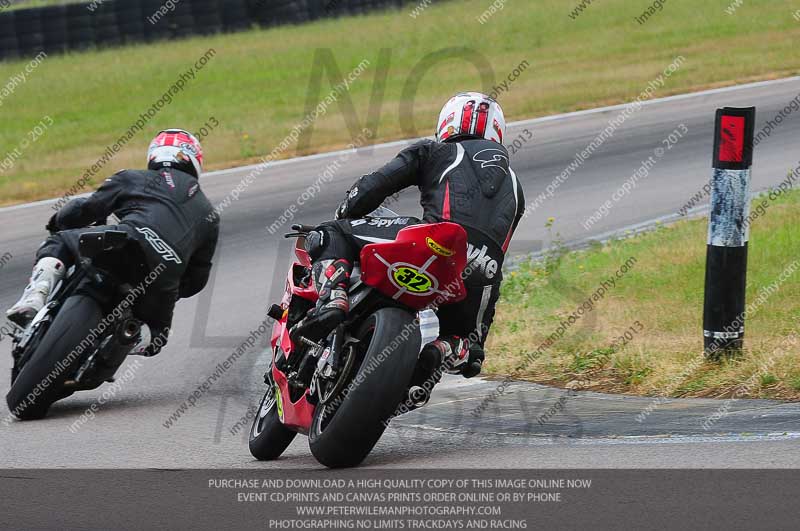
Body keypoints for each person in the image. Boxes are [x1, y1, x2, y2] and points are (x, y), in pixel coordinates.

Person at [291, 92, 525, 381]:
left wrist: (346, 210)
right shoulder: (517, 188)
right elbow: (499, 243)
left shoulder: (434, 151)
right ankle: (450, 349)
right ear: (497, 131)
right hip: (481, 271)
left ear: (447, 124)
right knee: (470, 344)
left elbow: (374, 187)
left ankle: (334, 298)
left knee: (331, 233)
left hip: (432, 242)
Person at [6, 129, 220, 356]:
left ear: (154, 155)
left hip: (125, 241)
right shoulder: (210, 213)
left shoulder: (132, 177)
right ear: (195, 160)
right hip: (164, 276)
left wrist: (59, 222)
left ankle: (35, 296)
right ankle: (123, 339)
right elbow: (198, 278)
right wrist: (171, 289)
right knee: (155, 339)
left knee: (59, 241)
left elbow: (86, 209)